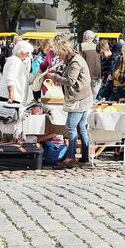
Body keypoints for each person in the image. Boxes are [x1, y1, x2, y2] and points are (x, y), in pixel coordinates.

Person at [45, 39, 93, 167]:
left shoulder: (75, 62)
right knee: (81, 127)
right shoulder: (74, 59)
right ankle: (85, 156)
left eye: (59, 54)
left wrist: (55, 77)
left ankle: (71, 158)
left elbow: (70, 81)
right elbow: (70, 76)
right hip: (84, 97)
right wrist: (58, 73)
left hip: (79, 99)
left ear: (64, 51)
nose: (58, 56)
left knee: (71, 127)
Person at [0, 40, 34, 104]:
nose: (28, 55)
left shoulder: (18, 61)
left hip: (16, 97)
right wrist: (11, 97)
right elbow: (10, 79)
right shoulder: (14, 60)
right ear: (21, 52)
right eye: (27, 53)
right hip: (11, 98)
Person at [80, 30, 101, 95]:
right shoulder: (98, 45)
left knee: (86, 95)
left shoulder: (82, 46)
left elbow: (80, 60)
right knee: (95, 94)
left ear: (85, 38)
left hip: (86, 74)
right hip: (97, 74)